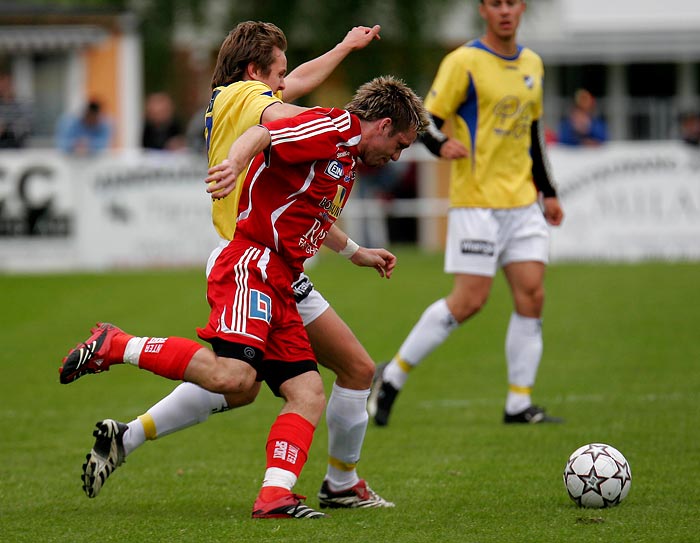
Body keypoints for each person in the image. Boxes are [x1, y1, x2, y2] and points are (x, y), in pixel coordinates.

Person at [59, 75, 428, 519]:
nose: (397, 155)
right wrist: (234, 164)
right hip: (253, 264)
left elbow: (308, 211)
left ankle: (276, 494)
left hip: (283, 278)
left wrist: (355, 252)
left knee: (304, 391)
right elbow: (262, 134)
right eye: (401, 144)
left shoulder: (347, 155)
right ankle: (117, 345)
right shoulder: (333, 128)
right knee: (235, 379)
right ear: (384, 125)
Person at [367, 0, 565, 427]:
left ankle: (519, 403)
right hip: (477, 201)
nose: (505, 11)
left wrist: (548, 192)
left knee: (532, 295)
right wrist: (440, 145)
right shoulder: (464, 62)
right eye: (496, 4)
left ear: (522, 7)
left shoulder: (533, 63)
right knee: (470, 300)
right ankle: (393, 375)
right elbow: (425, 120)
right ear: (483, 10)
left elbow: (533, 135)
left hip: (523, 202)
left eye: (512, 3)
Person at [0, 72, 32, 148]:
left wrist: (6, 126)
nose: (6, 88)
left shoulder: (22, 107)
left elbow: (26, 128)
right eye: (3, 85)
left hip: (17, 149)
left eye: (8, 85)